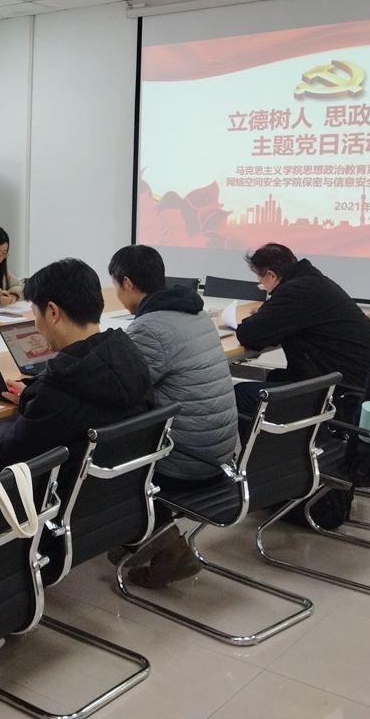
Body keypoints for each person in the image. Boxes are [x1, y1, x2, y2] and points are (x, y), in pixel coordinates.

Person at [107, 246, 238, 586]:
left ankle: (163, 547)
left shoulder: (150, 327)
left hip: (187, 462)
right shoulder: (195, 313)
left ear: (127, 283)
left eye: (116, 286)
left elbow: (121, 394)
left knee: (103, 451)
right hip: (222, 454)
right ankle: (139, 538)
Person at [0, 257, 153, 502]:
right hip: (118, 501)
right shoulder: (131, 358)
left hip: (58, 506)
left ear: (52, 312)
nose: (36, 324)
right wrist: (31, 397)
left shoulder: (56, 389)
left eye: (35, 315)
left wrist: (10, 421)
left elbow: (3, 457)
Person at [234, 243, 370, 418]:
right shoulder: (312, 282)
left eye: (260, 281)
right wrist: (268, 315)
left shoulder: (295, 291)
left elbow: (249, 336)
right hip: (359, 385)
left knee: (241, 394)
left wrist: (262, 316)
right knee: (276, 377)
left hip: (344, 395)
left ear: (271, 275)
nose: (263, 286)